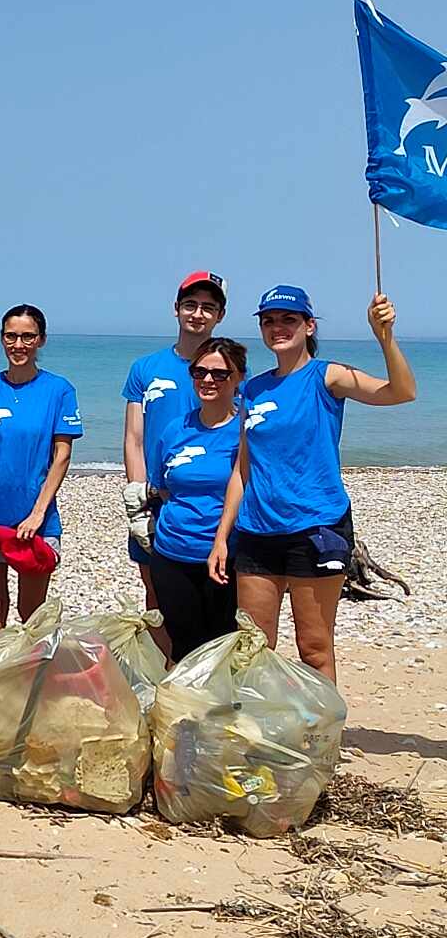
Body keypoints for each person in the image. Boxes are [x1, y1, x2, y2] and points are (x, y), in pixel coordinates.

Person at [210, 287, 416, 681]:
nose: (277, 328)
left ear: (309, 325)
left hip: (316, 526)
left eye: (288, 320)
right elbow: (242, 468)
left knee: (315, 647)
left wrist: (385, 336)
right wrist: (223, 536)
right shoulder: (252, 389)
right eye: (268, 321)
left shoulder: (327, 376)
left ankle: (322, 739)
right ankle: (260, 732)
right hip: (257, 530)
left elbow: (401, 392)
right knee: (252, 646)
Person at [0, 305, 83, 633]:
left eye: (28, 337)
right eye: (11, 336)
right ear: (2, 339)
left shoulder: (59, 390)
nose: (19, 344)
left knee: (32, 615)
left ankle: (33, 681)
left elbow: (62, 456)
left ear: (41, 340)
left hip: (36, 519)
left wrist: (37, 514)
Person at [122, 271, 227, 656]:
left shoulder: (226, 369)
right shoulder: (145, 369)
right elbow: (134, 436)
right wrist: (137, 498)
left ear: (219, 315)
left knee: (218, 597)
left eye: (208, 308)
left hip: (211, 502)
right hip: (155, 502)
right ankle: (166, 678)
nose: (198, 314)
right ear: (177, 309)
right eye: (191, 305)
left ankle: (209, 681)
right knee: (157, 598)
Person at [146, 338, 247, 662]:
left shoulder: (245, 431)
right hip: (171, 554)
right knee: (184, 645)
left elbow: (248, 486)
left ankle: (221, 711)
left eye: (219, 374)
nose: (207, 380)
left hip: (225, 558)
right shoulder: (175, 429)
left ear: (238, 377)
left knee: (221, 647)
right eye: (199, 371)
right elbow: (162, 487)